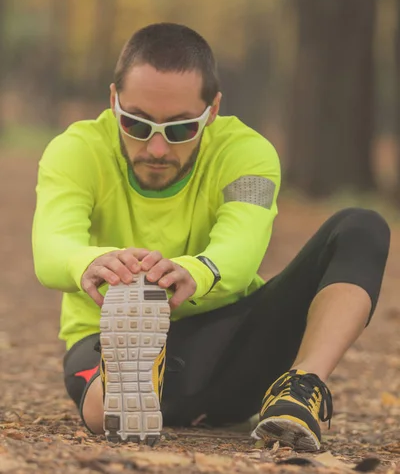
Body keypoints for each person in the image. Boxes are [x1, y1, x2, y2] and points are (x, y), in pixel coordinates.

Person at [32, 23, 390, 451]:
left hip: (234, 347)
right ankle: (123, 389)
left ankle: (299, 388)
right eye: (136, 124)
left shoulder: (247, 155)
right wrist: (89, 262)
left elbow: (242, 245)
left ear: (213, 109)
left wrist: (195, 271)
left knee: (361, 226)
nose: (158, 149)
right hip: (106, 339)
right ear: (113, 101)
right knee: (107, 394)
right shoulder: (75, 151)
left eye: (181, 128)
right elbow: (52, 246)